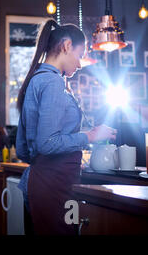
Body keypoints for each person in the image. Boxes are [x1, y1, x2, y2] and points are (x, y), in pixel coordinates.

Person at [15, 19, 117, 235]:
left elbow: (24, 150)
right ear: (67, 46)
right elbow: (47, 143)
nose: (80, 64)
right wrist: (89, 136)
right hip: (54, 185)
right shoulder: (53, 83)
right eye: (80, 55)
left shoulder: (37, 79)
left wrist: (66, 158)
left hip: (40, 183)